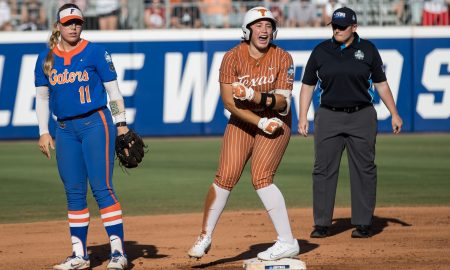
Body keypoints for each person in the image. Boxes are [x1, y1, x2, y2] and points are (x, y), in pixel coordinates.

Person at [188, 6, 300, 261]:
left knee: (261, 177)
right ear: (247, 30)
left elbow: (282, 103)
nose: (264, 30)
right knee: (225, 177)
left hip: (276, 120)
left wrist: (254, 96)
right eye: (258, 25)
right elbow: (229, 103)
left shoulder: (283, 57)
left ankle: (287, 241)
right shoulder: (232, 57)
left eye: (269, 25)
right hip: (244, 119)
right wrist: (258, 121)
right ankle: (205, 235)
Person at [34, 4, 129, 270]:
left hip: (95, 124)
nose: (74, 27)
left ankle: (118, 253)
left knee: (102, 188)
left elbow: (114, 92)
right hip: (64, 130)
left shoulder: (96, 52)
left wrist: (121, 124)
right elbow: (42, 98)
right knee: (74, 192)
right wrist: (43, 131)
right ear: (58, 26)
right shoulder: (46, 58)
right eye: (68, 23)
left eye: (78, 22)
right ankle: (79, 255)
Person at [298, 7, 403, 239]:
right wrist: (302, 116)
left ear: (354, 27)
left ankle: (364, 223)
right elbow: (307, 85)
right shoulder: (321, 51)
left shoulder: (368, 50)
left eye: (342, 26)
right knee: (323, 169)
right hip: (328, 115)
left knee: (364, 169)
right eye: (334, 26)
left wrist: (394, 113)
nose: (337, 30)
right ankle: (322, 223)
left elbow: (381, 84)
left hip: (361, 115)